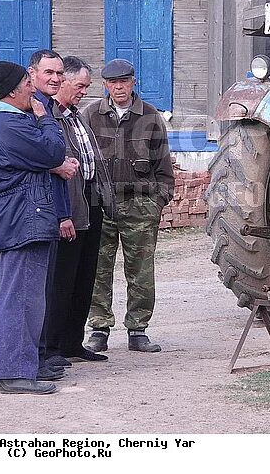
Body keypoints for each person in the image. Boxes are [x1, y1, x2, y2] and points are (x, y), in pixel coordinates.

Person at [0, 61, 66, 395]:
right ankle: (16, 373)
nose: (32, 88)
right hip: (22, 218)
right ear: (12, 90)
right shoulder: (14, 124)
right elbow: (54, 151)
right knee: (23, 296)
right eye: (28, 82)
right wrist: (45, 117)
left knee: (0, 295)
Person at [82, 58, 175, 353]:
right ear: (105, 85)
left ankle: (138, 329)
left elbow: (164, 168)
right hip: (99, 205)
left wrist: (157, 202)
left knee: (141, 271)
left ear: (134, 82)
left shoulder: (150, 117)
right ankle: (99, 327)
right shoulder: (90, 115)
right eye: (112, 82)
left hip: (139, 205)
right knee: (97, 268)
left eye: (124, 81)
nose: (118, 87)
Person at [42, 56, 116, 368]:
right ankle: (54, 346)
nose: (85, 91)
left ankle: (73, 342)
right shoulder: (49, 117)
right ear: (63, 83)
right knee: (61, 279)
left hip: (90, 202)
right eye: (80, 85)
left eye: (87, 86)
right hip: (68, 204)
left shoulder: (75, 115)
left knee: (85, 277)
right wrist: (63, 214)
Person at [27, 49, 80, 373]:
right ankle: (35, 356)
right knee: (34, 291)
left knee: (45, 288)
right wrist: (56, 164)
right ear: (32, 74)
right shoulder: (32, 108)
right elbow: (31, 154)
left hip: (50, 207)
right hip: (34, 209)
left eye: (59, 73)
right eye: (49, 72)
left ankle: (43, 353)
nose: (56, 78)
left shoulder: (48, 106)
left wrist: (63, 212)